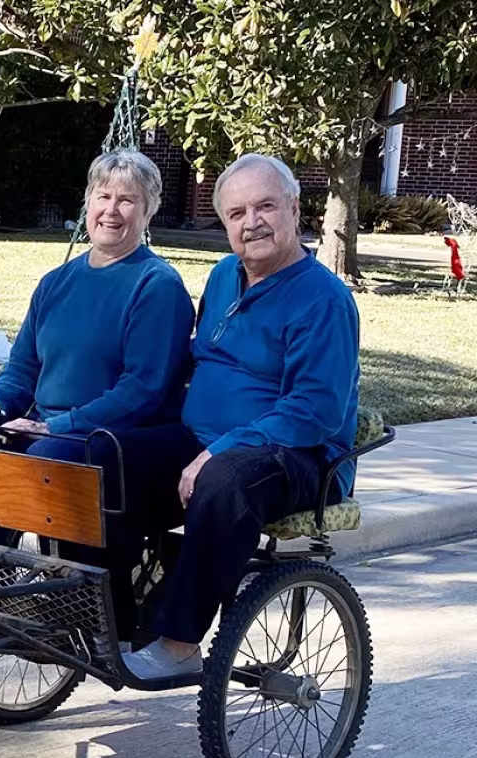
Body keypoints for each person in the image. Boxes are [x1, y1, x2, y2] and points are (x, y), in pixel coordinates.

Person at [120, 153, 361, 679]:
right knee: (106, 455)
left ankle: (179, 642)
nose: (251, 222)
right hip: (202, 437)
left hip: (299, 457)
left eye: (266, 206)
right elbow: (195, 358)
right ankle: (113, 619)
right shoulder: (225, 275)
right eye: (236, 213)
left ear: (295, 210)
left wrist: (218, 450)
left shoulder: (324, 300)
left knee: (225, 480)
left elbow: (313, 410)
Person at [0, 148, 194, 643]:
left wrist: (51, 426)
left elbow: (142, 391)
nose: (112, 210)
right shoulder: (56, 283)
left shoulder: (157, 285)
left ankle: (82, 604)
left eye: (128, 200)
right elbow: (22, 370)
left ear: (148, 212)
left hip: (118, 437)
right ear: (86, 202)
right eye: (103, 196)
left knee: (47, 456)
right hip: (48, 428)